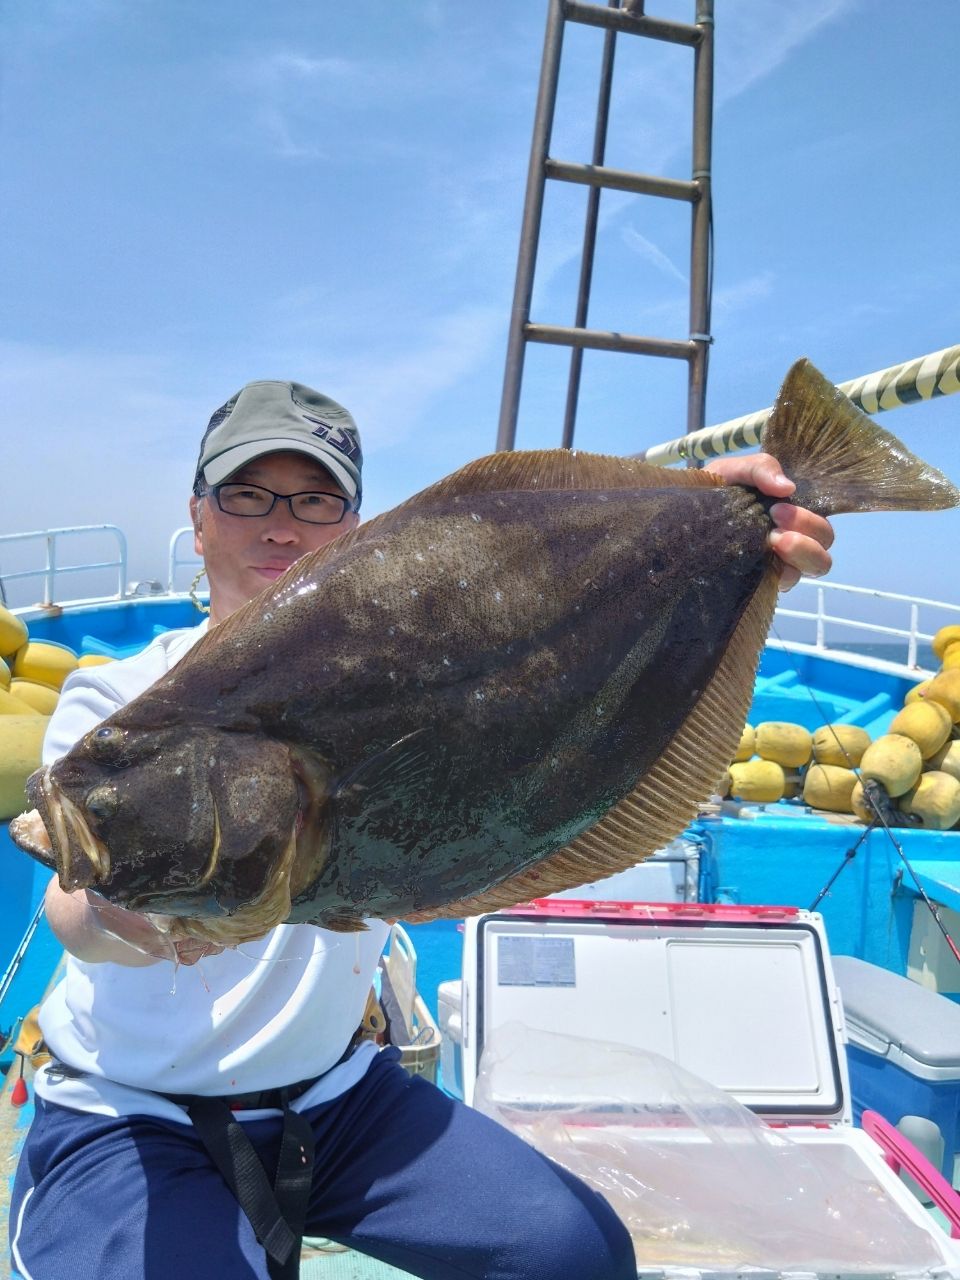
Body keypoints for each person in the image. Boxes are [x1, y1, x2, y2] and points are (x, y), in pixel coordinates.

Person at [9, 379, 834, 1280]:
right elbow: (74, 915)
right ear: (199, 515)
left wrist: (720, 519)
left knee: (575, 1253)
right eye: (247, 495)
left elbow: (540, 571)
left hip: (336, 1100)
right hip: (130, 1111)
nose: (280, 527)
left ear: (357, 530)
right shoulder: (114, 704)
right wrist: (131, 920)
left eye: (316, 500)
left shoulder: (422, 651)